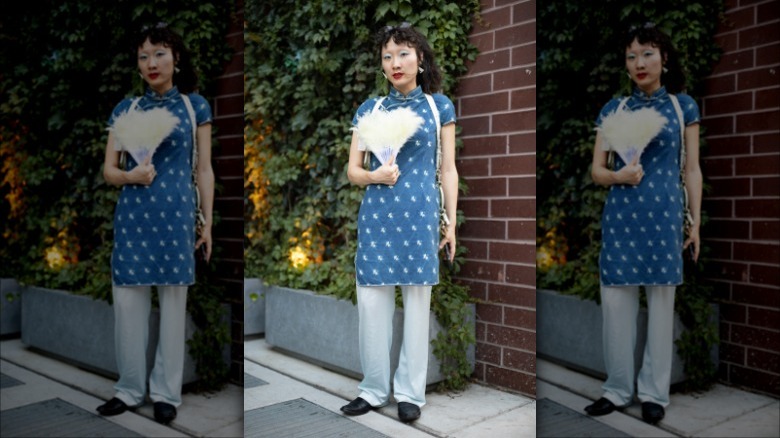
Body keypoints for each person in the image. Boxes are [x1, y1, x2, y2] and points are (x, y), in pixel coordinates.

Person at [340, 23, 458, 423]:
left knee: (417, 306)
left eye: (404, 54)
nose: (395, 63)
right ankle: (373, 391)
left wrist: (451, 222)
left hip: (421, 216)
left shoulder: (438, 106)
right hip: (377, 219)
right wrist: (375, 176)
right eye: (387, 56)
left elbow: (448, 169)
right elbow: (353, 171)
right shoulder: (368, 111)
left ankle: (411, 393)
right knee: (372, 304)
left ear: (420, 59)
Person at [97, 24, 214, 425]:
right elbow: (109, 171)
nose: (151, 63)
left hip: (177, 218)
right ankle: (128, 390)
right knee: (128, 304)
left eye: (160, 53)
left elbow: (204, 169)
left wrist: (209, 223)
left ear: (176, 59)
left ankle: (167, 393)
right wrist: (132, 176)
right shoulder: (124, 110)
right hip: (134, 219)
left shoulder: (193, 105)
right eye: (144, 56)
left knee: (173, 306)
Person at [585, 23, 702, 424]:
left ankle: (655, 393)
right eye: (632, 56)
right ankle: (616, 391)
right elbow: (597, 171)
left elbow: (692, 170)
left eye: (648, 53)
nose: (639, 63)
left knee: (661, 305)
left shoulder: (681, 106)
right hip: (622, 219)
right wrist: (619, 176)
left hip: (665, 217)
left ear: (664, 59)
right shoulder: (612, 110)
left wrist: (696, 223)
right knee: (616, 304)